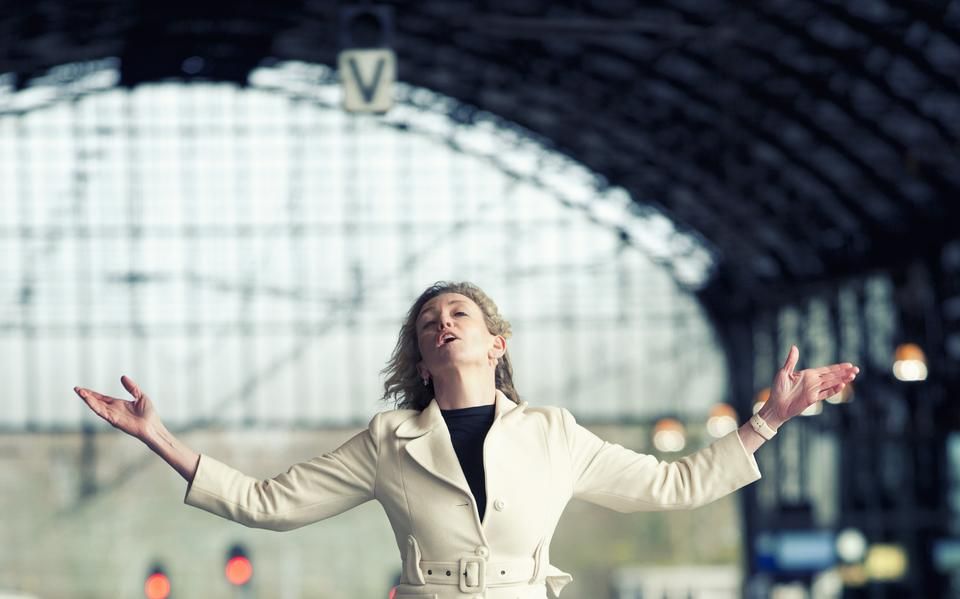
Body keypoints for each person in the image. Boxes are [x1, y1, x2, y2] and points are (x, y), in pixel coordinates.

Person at [74, 280, 859, 599]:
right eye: (427, 323)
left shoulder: (554, 433)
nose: (442, 323)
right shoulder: (390, 438)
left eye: (457, 314)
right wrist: (159, 437)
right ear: (422, 357)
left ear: (496, 342)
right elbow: (264, 503)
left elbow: (673, 484)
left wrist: (768, 420)